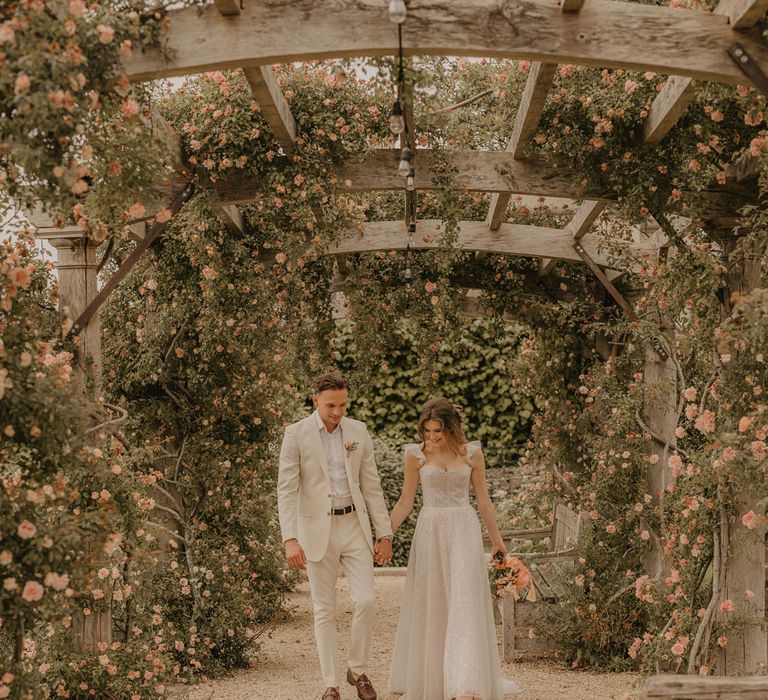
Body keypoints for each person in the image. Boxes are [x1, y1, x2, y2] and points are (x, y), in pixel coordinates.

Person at [388, 397, 523, 700]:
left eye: (438, 431)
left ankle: (465, 685)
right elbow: (405, 502)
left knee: (464, 603)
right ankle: (435, 679)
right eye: (427, 431)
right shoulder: (415, 456)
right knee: (435, 604)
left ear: (452, 428)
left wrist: (498, 542)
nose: (432, 438)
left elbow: (484, 502)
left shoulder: (472, 454)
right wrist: (384, 535)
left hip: (463, 530)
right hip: (430, 532)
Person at [277, 371, 394, 700]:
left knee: (366, 600)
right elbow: (286, 490)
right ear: (315, 400)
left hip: (355, 526)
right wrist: (290, 538)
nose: (337, 412)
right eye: (330, 405)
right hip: (315, 531)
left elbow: (371, 486)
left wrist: (384, 532)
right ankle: (331, 683)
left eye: (343, 405)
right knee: (323, 609)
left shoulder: (358, 431)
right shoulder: (296, 434)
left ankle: (357, 669)